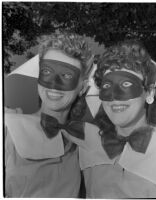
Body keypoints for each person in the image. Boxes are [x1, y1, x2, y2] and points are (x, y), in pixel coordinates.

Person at [56, 40, 156, 198]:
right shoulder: (85, 145)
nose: (115, 96)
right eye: (107, 86)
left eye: (127, 84)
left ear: (149, 93)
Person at [4, 31, 93, 197]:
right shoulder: (8, 128)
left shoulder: (85, 142)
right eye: (47, 72)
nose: (54, 84)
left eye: (66, 75)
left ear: (83, 88)